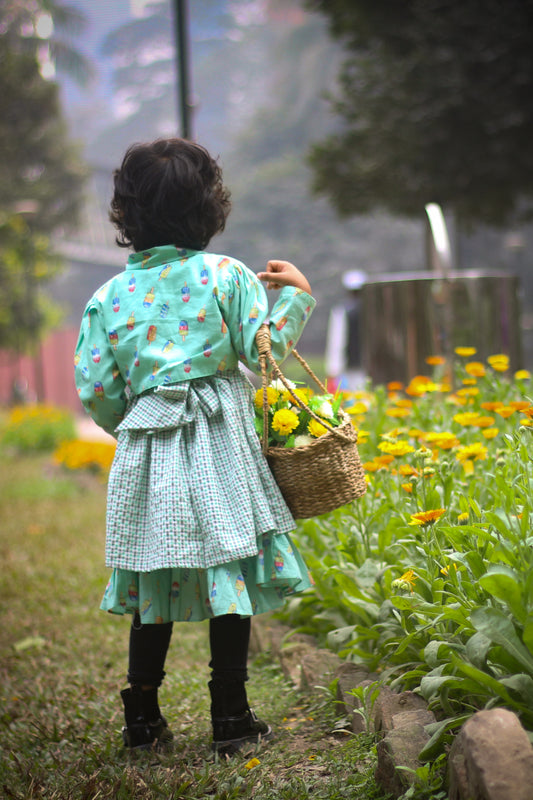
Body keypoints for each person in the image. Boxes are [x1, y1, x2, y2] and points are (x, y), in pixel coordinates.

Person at [73, 138, 316, 756]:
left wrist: (138, 422)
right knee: (227, 567)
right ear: (209, 208)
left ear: (126, 214)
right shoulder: (225, 276)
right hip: (220, 446)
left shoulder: (106, 300)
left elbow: (97, 390)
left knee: (153, 578)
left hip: (147, 451)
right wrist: (298, 293)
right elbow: (264, 352)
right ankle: (231, 718)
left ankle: (142, 719)